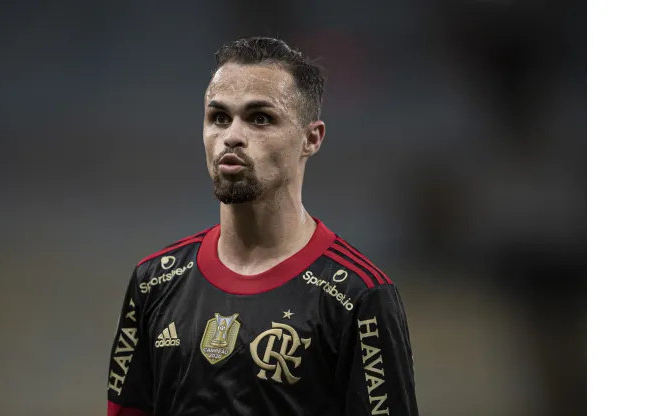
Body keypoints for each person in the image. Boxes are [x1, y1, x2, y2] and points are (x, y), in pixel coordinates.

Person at [107, 37, 419, 416]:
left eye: (260, 118)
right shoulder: (154, 282)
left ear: (311, 138)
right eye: (219, 117)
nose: (232, 136)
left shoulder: (360, 297)